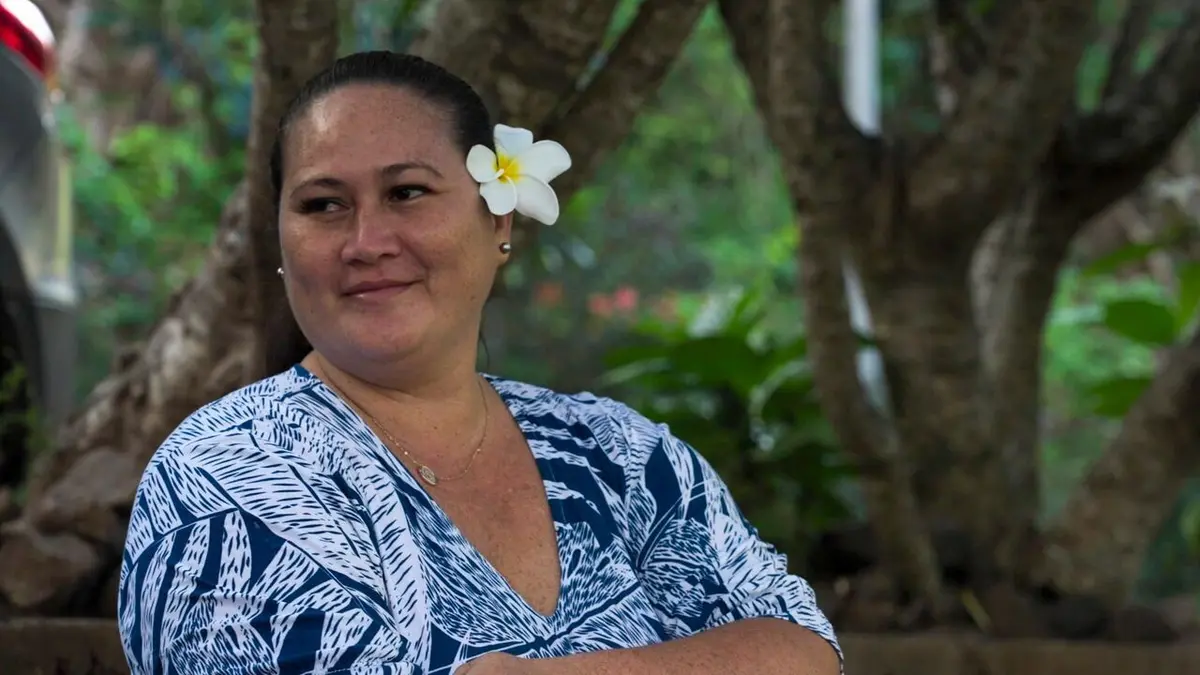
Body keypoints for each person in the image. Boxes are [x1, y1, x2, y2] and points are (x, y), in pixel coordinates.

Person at [116, 50, 841, 675]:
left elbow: (805, 649)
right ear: (280, 244)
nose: (366, 240)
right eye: (323, 205)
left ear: (498, 220)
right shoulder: (229, 475)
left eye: (407, 192)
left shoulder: (621, 457)